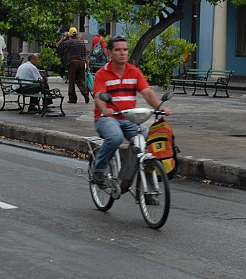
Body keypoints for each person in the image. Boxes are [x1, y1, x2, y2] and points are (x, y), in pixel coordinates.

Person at [92, 35, 172, 186]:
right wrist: (105, 109)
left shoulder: (134, 72)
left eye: (125, 50)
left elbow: (147, 92)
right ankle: (99, 168)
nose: (122, 53)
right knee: (115, 137)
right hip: (107, 118)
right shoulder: (102, 74)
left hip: (129, 119)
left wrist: (160, 107)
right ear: (109, 52)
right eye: (118, 50)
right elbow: (99, 96)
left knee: (149, 142)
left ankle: (148, 189)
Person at [57, 26, 91, 104]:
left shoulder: (69, 42)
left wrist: (64, 38)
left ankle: (72, 98)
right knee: (80, 80)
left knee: (72, 80)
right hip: (82, 62)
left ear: (70, 34)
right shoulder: (81, 42)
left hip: (73, 62)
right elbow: (85, 53)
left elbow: (59, 46)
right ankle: (85, 92)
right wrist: (87, 64)